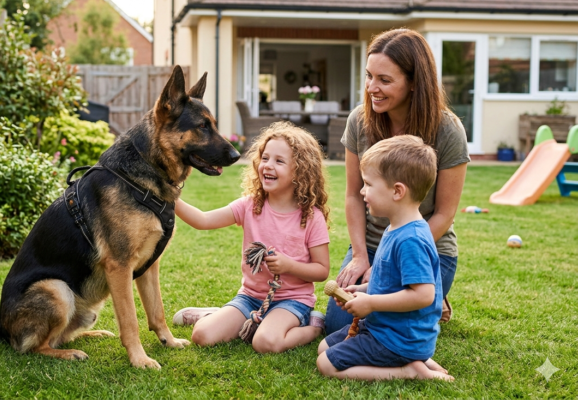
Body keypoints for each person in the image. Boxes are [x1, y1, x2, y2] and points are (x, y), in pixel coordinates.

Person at [325, 28, 470, 335]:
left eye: (384, 80)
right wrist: (361, 256)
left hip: (422, 249)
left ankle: (430, 294)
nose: (372, 88)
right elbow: (353, 195)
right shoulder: (359, 121)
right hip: (370, 246)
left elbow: (444, 213)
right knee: (338, 324)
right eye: (369, 76)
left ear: (415, 81)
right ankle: (426, 303)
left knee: (375, 326)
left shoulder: (448, 130)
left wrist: (386, 264)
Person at [172, 122, 330, 353]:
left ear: (300, 170)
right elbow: (203, 220)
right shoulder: (250, 206)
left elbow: (322, 270)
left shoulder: (311, 217)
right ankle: (218, 315)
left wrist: (289, 266)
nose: (268, 165)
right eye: (265, 158)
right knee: (202, 335)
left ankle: (313, 326)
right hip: (250, 298)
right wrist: (169, 195)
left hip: (292, 301)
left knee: (265, 342)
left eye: (279, 161)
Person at [317, 135, 454, 381]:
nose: (362, 191)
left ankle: (409, 370)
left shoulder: (411, 239)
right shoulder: (396, 228)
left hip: (399, 338)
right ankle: (418, 361)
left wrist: (371, 303)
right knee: (324, 347)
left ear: (397, 191)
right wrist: (361, 290)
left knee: (326, 364)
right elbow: (392, 283)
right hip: (383, 327)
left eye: (368, 184)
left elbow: (424, 295)